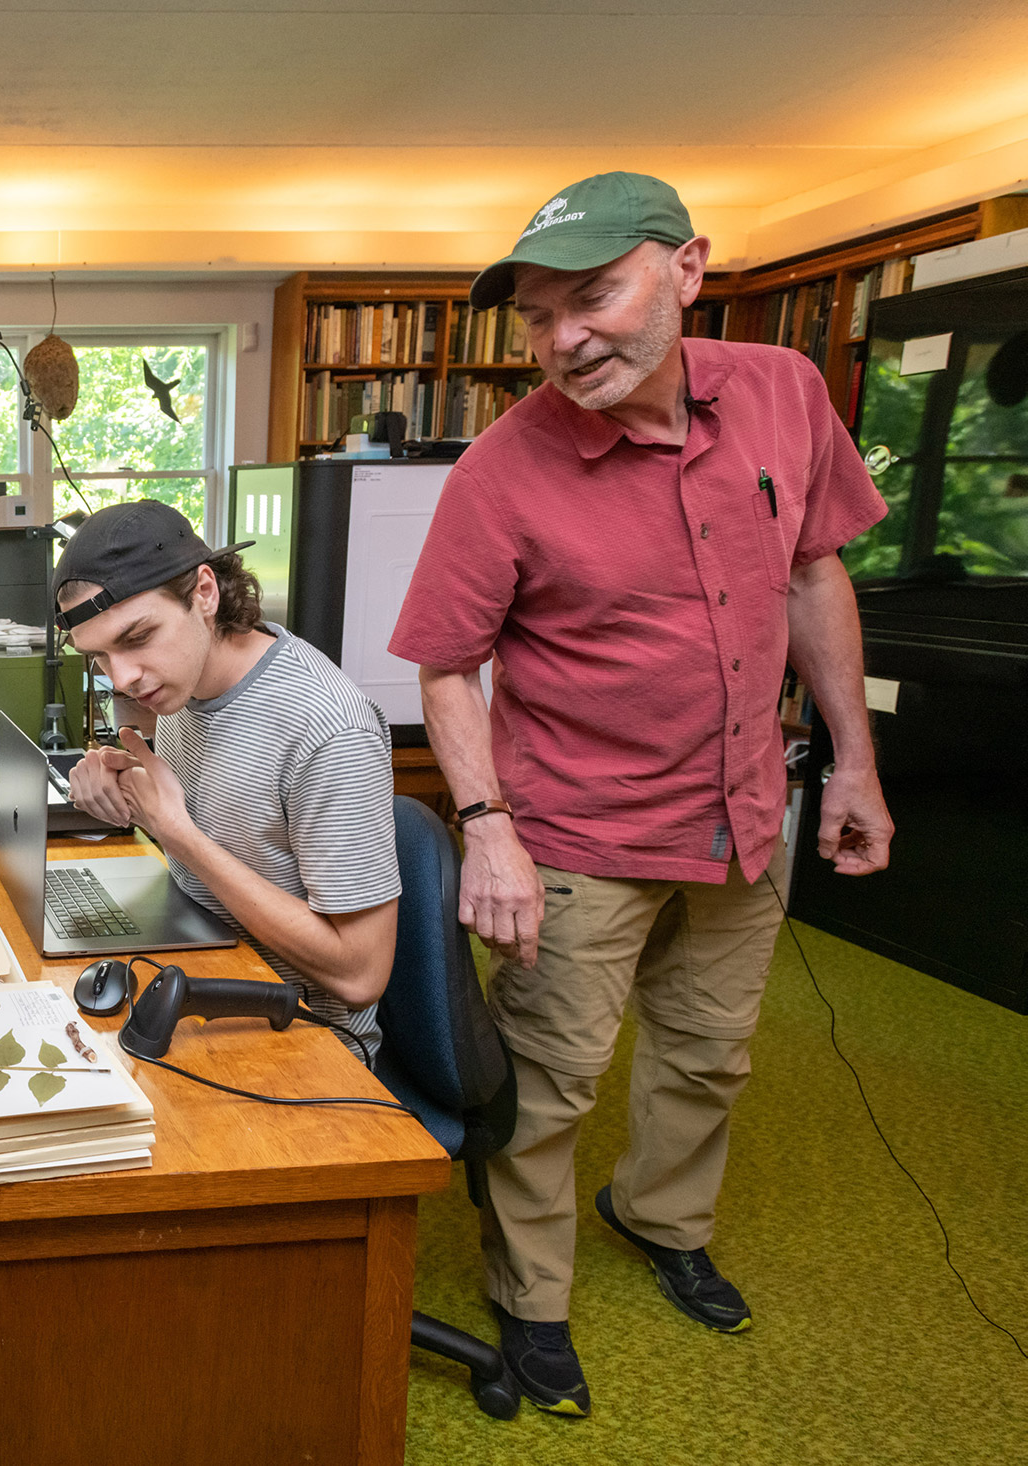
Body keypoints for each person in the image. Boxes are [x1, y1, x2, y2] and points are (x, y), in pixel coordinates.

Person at [387, 172, 893, 1416]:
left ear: (686, 268)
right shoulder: (501, 473)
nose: (565, 339)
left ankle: (660, 1212)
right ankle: (531, 1295)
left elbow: (812, 573)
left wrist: (854, 760)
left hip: (743, 812)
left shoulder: (783, 394)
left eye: (593, 297)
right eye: (539, 318)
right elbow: (446, 665)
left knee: (709, 1054)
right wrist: (489, 833)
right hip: (576, 832)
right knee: (549, 1078)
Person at [54, 499, 400, 1057]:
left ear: (205, 593)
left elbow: (360, 976)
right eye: (98, 657)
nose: (121, 678)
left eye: (137, 637)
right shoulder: (182, 685)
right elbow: (223, 811)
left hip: (301, 1040)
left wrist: (176, 832)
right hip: (199, 970)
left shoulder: (328, 729)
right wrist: (125, 790)